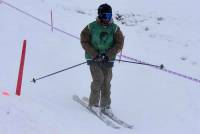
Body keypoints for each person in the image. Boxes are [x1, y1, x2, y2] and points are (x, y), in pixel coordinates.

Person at [80, 3, 124, 113]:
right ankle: (94, 103)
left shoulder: (114, 29)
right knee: (98, 79)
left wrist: (108, 55)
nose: (107, 18)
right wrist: (94, 54)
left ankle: (105, 105)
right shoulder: (92, 27)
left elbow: (119, 43)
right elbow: (84, 40)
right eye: (105, 16)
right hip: (93, 58)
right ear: (100, 15)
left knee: (106, 82)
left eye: (109, 16)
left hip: (108, 59)